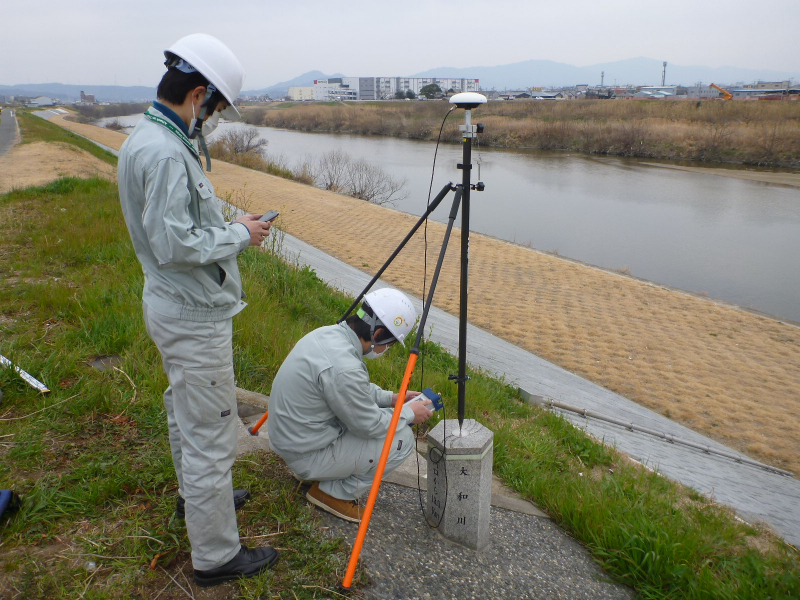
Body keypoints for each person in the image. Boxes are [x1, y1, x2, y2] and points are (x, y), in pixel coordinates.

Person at [117, 33, 277, 587]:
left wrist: (232, 228)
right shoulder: (163, 151)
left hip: (170, 304)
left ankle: (196, 499)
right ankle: (216, 555)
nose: (210, 118)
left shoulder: (149, 137)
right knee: (210, 432)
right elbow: (174, 244)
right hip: (191, 314)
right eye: (213, 108)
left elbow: (176, 228)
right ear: (198, 94)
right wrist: (240, 233)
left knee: (184, 406)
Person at [267, 288, 434, 523]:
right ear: (377, 335)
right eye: (390, 344)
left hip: (293, 438)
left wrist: (392, 399)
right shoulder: (344, 367)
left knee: (388, 417)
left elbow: (353, 392)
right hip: (305, 455)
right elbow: (369, 426)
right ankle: (332, 494)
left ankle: (325, 475)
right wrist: (408, 413)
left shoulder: (328, 335)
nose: (386, 350)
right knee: (402, 438)